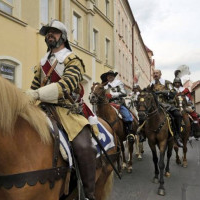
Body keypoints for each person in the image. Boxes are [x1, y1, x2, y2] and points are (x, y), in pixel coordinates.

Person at [26, 19, 96, 200]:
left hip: (66, 110)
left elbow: (67, 85)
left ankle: (89, 194)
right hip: (42, 108)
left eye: (54, 32)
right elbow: (35, 86)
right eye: (48, 32)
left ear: (63, 37)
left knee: (83, 146)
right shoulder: (42, 63)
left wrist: (36, 95)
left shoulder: (72, 60)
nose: (50, 35)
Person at [148, 69, 183, 147]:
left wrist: (161, 92)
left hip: (167, 105)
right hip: (155, 106)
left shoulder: (167, 82)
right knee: (143, 115)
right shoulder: (151, 84)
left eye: (157, 73)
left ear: (160, 74)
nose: (155, 74)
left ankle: (177, 136)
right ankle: (142, 134)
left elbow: (173, 92)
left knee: (177, 115)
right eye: (154, 73)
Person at [100, 70, 135, 142]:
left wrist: (112, 95)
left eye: (111, 75)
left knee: (127, 116)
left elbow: (124, 93)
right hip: (108, 104)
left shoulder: (118, 83)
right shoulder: (105, 86)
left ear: (113, 76)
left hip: (118, 103)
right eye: (108, 75)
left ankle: (130, 133)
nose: (109, 76)